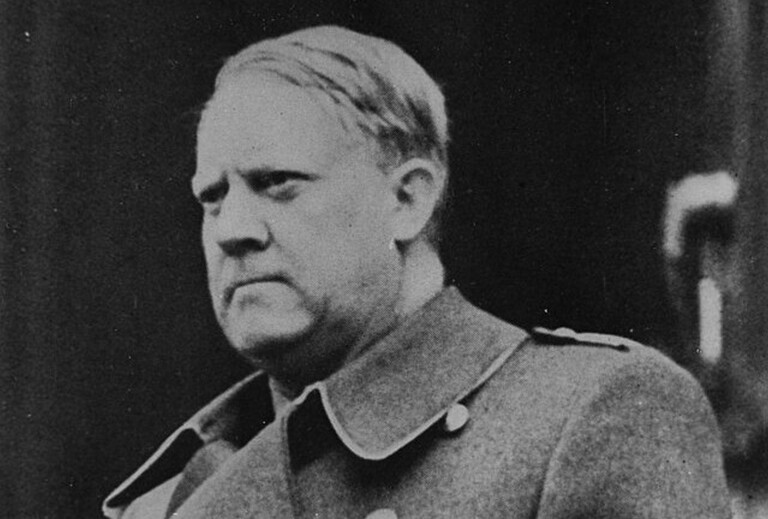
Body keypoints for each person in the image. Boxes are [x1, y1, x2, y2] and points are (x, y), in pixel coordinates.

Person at [103, 26, 731, 518]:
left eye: (277, 183)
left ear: (406, 200)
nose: (231, 228)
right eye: (212, 197)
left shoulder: (595, 412)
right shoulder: (171, 499)